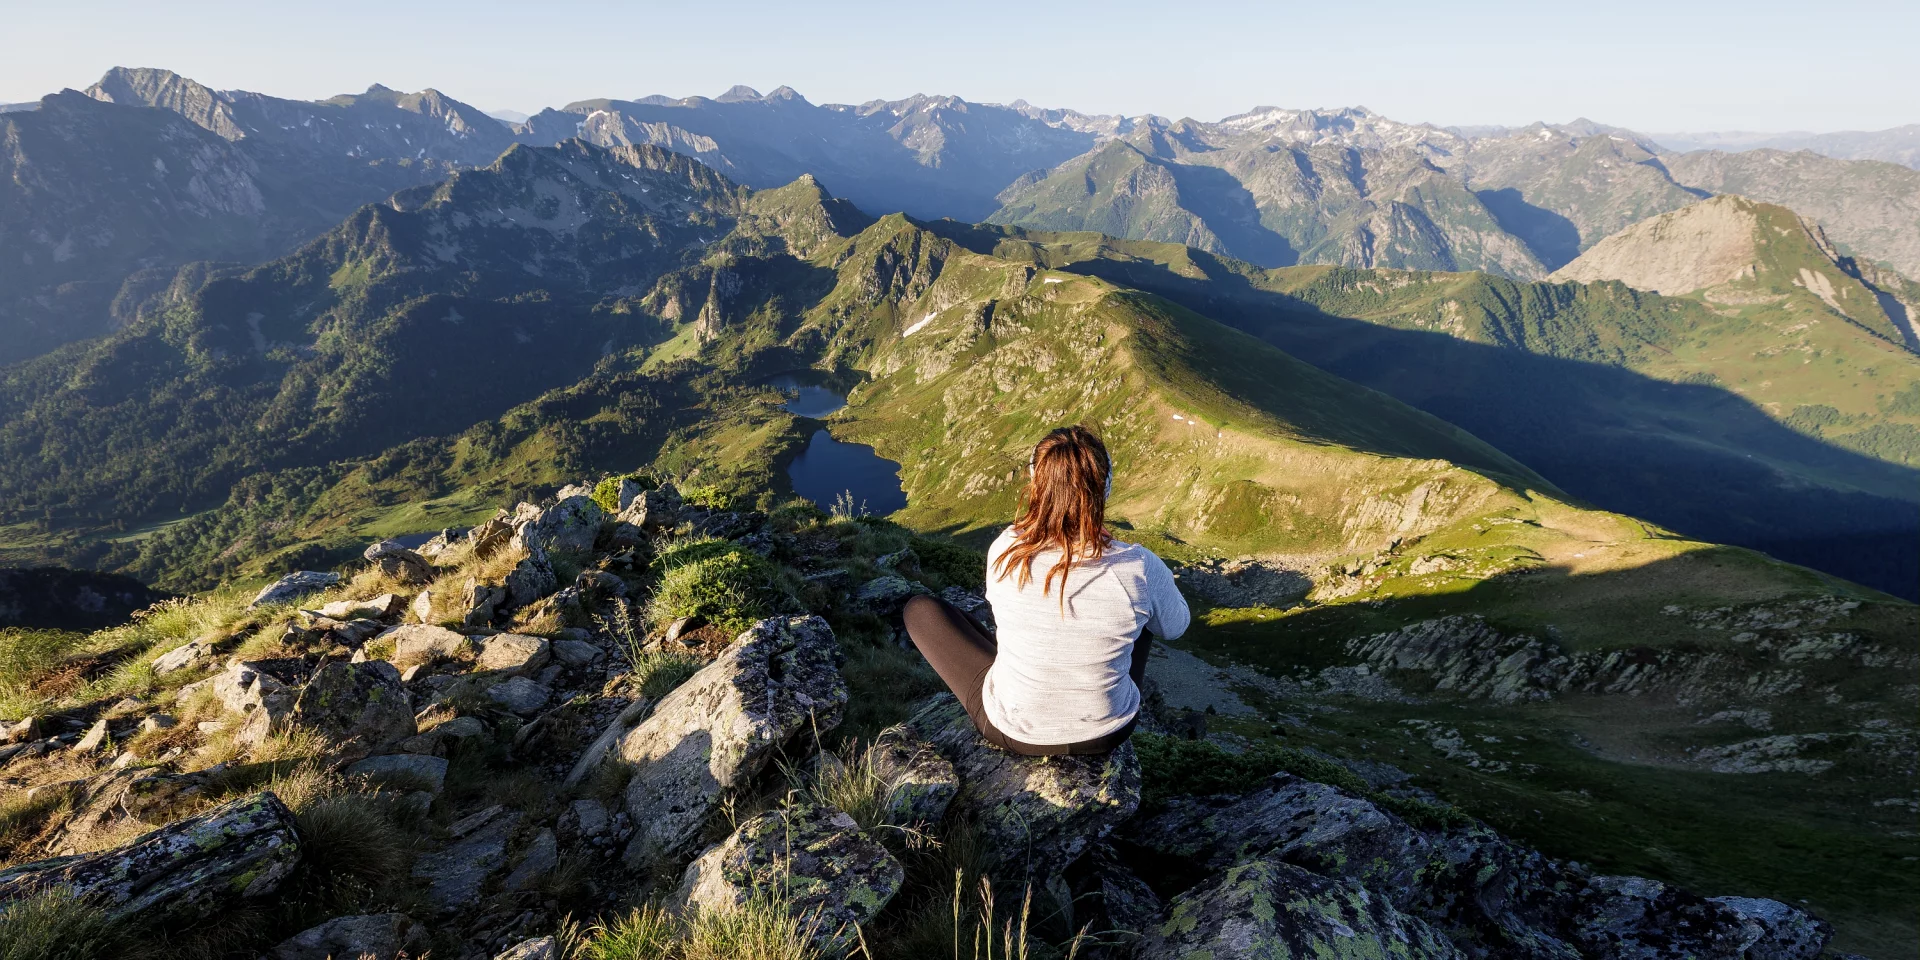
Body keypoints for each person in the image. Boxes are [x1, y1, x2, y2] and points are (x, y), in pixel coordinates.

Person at [903, 425, 1190, 756]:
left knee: (920, 610)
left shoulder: (1007, 549)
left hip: (1010, 732)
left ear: (1036, 484)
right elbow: (1175, 626)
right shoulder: (1138, 566)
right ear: (1104, 490)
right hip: (1107, 732)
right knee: (1145, 616)